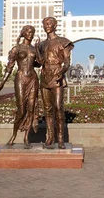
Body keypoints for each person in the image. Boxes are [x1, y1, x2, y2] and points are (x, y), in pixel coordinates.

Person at [0, 25, 41, 149]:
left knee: (31, 108)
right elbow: (9, 66)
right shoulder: (17, 48)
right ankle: (14, 135)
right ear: (23, 33)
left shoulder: (33, 49)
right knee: (21, 110)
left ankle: (27, 137)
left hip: (33, 79)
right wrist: (2, 83)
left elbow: (39, 64)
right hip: (21, 79)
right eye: (28, 31)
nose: (30, 34)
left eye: (32, 32)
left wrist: (37, 50)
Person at [37, 17, 74, 149]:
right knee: (47, 109)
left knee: (58, 107)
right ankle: (50, 137)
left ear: (55, 25)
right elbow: (40, 62)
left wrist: (62, 72)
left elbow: (67, 62)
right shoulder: (41, 44)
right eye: (45, 24)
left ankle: (60, 138)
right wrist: (36, 50)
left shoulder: (63, 42)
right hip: (45, 77)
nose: (47, 26)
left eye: (49, 23)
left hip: (57, 76)